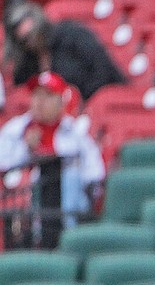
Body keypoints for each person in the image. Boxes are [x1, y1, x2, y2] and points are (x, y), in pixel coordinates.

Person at [0, 72, 105, 243]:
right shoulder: (14, 130)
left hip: (65, 207)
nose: (39, 101)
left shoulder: (75, 133)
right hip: (21, 214)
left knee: (71, 176)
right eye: (36, 95)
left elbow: (95, 174)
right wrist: (26, 149)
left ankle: (70, 237)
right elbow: (5, 169)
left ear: (61, 101)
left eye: (48, 95)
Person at [5, 2, 124, 101]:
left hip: (97, 100)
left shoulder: (72, 34)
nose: (30, 41)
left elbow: (102, 68)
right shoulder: (28, 60)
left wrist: (86, 102)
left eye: (32, 34)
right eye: (23, 40)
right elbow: (22, 87)